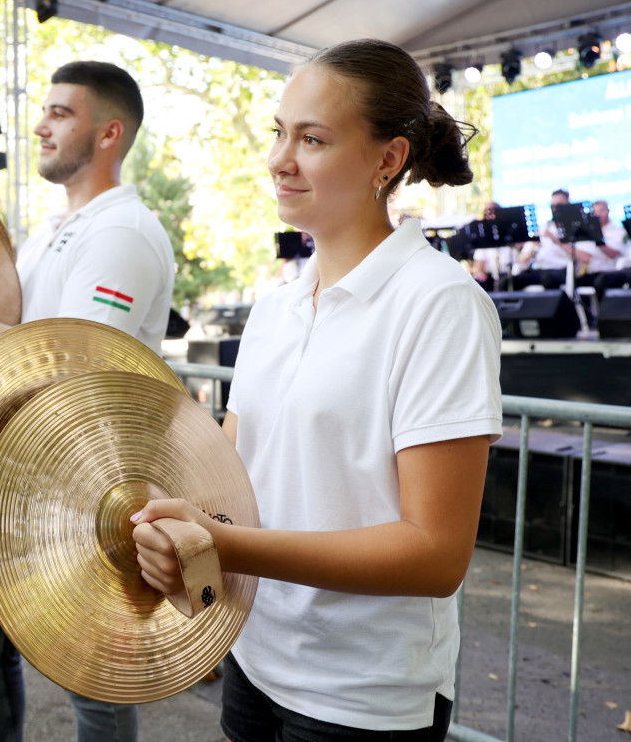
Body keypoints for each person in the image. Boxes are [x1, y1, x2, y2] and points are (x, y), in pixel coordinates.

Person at [130, 39, 502, 741]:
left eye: (313, 138)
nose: (279, 158)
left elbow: (435, 551)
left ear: (387, 160)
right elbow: (227, 481)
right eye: (279, 132)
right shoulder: (276, 305)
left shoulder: (438, 302)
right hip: (253, 656)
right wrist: (175, 521)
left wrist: (229, 547)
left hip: (361, 694)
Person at [0, 60, 175, 742]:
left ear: (110, 132)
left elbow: (78, 365)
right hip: (23, 477)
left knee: (93, 677)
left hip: (90, 485)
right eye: (43, 110)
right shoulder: (54, 230)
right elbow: (14, 338)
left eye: (60, 112)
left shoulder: (122, 232)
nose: (40, 123)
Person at [514, 189, 575, 288]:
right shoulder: (543, 228)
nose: (555, 209)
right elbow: (521, 260)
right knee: (510, 281)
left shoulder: (574, 228)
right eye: (553, 206)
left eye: (559, 205)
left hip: (560, 270)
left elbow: (582, 258)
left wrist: (557, 241)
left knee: (548, 279)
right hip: (539, 269)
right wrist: (533, 247)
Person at [469, 201, 519, 292]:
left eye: (492, 213)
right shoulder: (484, 239)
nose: (490, 217)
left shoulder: (513, 234)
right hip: (492, 278)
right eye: (486, 214)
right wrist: (479, 272)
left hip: (513, 276)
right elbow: (479, 266)